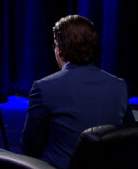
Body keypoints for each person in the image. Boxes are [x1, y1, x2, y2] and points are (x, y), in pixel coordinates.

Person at [21, 15, 135, 169]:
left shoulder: (44, 87)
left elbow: (30, 147)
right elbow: (128, 138)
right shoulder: (119, 86)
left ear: (59, 50)